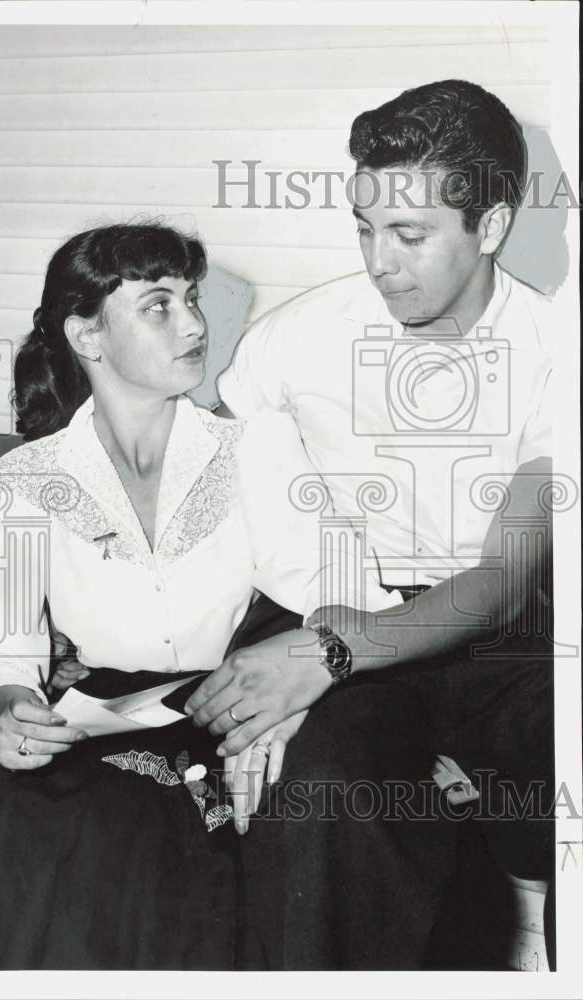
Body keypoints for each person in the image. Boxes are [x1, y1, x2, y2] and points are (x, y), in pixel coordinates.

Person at [0, 221, 400, 970]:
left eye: (191, 299)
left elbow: (344, 593)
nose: (195, 324)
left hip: (214, 726)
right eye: (158, 305)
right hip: (85, 735)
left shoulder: (251, 449)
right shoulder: (13, 485)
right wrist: (12, 718)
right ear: (86, 336)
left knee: (160, 867)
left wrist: (295, 692)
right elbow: (0, 661)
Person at [186, 79, 557, 969]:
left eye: (409, 235)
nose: (377, 261)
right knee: (319, 792)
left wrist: (333, 652)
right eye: (363, 226)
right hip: (341, 608)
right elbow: (197, 449)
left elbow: (507, 575)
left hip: (496, 638)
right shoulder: (302, 332)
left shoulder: (559, 353)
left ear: (493, 226)